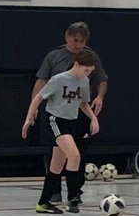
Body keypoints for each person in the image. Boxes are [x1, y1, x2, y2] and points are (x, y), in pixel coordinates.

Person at [31, 21, 108, 201]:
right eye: (76, 41)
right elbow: (41, 82)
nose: (79, 45)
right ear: (67, 37)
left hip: (78, 112)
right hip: (57, 112)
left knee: (79, 151)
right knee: (56, 152)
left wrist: (100, 97)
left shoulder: (90, 56)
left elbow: (102, 79)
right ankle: (54, 191)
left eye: (82, 41)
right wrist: (33, 107)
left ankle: (75, 191)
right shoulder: (54, 56)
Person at [22, 49, 99, 214]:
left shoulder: (84, 81)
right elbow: (38, 97)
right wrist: (29, 119)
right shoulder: (58, 79)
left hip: (71, 122)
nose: (87, 74)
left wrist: (93, 118)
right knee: (75, 155)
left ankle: (43, 203)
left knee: (56, 166)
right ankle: (73, 197)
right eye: (86, 70)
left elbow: (83, 103)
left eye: (90, 72)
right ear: (77, 64)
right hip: (55, 120)